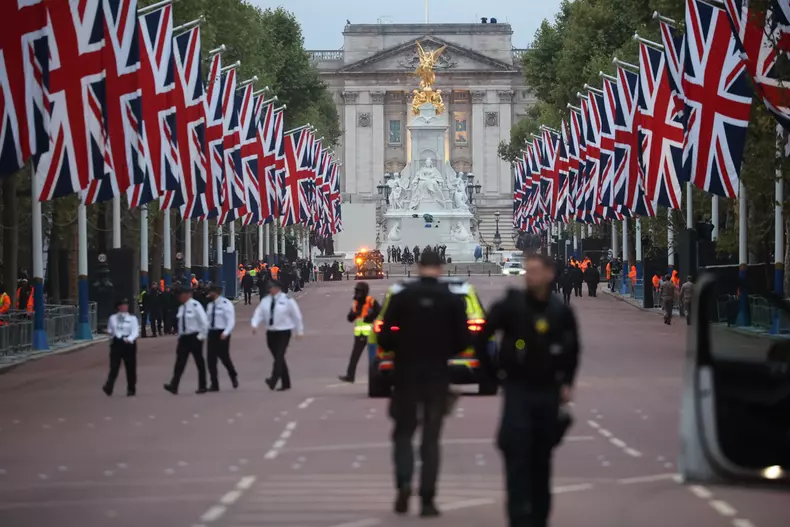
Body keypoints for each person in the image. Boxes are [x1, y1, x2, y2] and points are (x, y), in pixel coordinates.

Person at [475, 253, 580, 527]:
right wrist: (493, 376)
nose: (529, 276)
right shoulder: (511, 305)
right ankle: (519, 518)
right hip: (517, 387)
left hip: (548, 390)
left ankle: (539, 518)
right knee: (517, 453)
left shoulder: (560, 311)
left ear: (549, 274)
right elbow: (482, 337)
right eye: (527, 271)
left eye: (535, 271)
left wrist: (567, 381)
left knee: (542, 458)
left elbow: (573, 349)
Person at [377, 250, 470, 517]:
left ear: (419, 266)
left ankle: (404, 484)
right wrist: (444, 350)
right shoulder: (452, 300)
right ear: (441, 267)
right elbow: (464, 341)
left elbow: (383, 336)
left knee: (403, 434)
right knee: (431, 439)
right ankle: (428, 499)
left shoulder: (403, 296)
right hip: (437, 375)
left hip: (406, 373)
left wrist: (401, 347)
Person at [251, 279, 304, 391]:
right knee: (277, 357)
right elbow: (258, 313)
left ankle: (273, 379)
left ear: (277, 288)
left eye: (272, 287)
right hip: (271, 332)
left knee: (279, 356)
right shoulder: (265, 300)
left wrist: (299, 331)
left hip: (284, 332)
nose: (269, 289)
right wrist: (254, 324)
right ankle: (286, 383)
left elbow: (296, 316)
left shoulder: (287, 300)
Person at [164, 286, 209, 395]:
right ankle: (174, 385)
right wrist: (180, 337)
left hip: (195, 337)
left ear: (188, 294)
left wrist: (201, 337)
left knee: (199, 362)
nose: (180, 297)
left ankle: (202, 385)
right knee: (180, 362)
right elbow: (180, 324)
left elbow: (204, 322)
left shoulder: (195, 306)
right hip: (184, 338)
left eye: (182, 295)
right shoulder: (181, 308)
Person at [339, 282, 382, 384]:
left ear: (365, 292)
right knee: (355, 356)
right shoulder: (355, 303)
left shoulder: (371, 301)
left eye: (360, 291)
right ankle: (350, 376)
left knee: (374, 358)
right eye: (357, 291)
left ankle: (376, 377)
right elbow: (349, 318)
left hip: (371, 334)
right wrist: (353, 314)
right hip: (359, 335)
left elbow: (380, 313)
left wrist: (371, 316)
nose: (358, 294)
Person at [103, 298, 140, 397]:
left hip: (129, 343)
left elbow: (135, 331)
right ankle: (109, 386)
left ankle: (131, 389)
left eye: (126, 305)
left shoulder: (132, 318)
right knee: (114, 366)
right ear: (118, 307)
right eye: (123, 305)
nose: (125, 306)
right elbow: (111, 330)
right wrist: (109, 332)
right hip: (117, 343)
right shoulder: (112, 318)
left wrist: (130, 339)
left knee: (130, 367)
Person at [206, 284, 239, 391]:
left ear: (215, 293)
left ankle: (233, 374)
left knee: (224, 358)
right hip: (212, 333)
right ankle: (214, 384)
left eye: (210, 292)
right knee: (211, 359)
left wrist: (226, 332)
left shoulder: (226, 304)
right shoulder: (210, 305)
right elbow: (207, 320)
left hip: (222, 333)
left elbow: (230, 320)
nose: (208, 294)